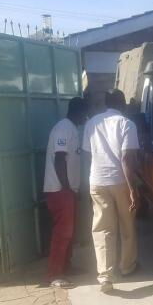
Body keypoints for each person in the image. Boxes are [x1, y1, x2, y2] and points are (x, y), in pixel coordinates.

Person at [82, 90, 140, 293]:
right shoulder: (126, 124)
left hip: (97, 181)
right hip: (120, 182)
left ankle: (105, 276)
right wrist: (133, 189)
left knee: (102, 228)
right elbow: (126, 159)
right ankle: (126, 267)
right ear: (123, 105)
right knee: (127, 225)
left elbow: (88, 155)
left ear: (105, 104)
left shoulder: (92, 123)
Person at [42, 97, 87, 288]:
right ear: (79, 112)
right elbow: (60, 159)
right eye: (85, 114)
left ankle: (66, 267)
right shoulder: (64, 128)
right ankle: (54, 274)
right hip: (60, 190)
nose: (86, 118)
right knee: (63, 232)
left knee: (69, 232)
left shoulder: (71, 128)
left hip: (67, 190)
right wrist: (67, 188)